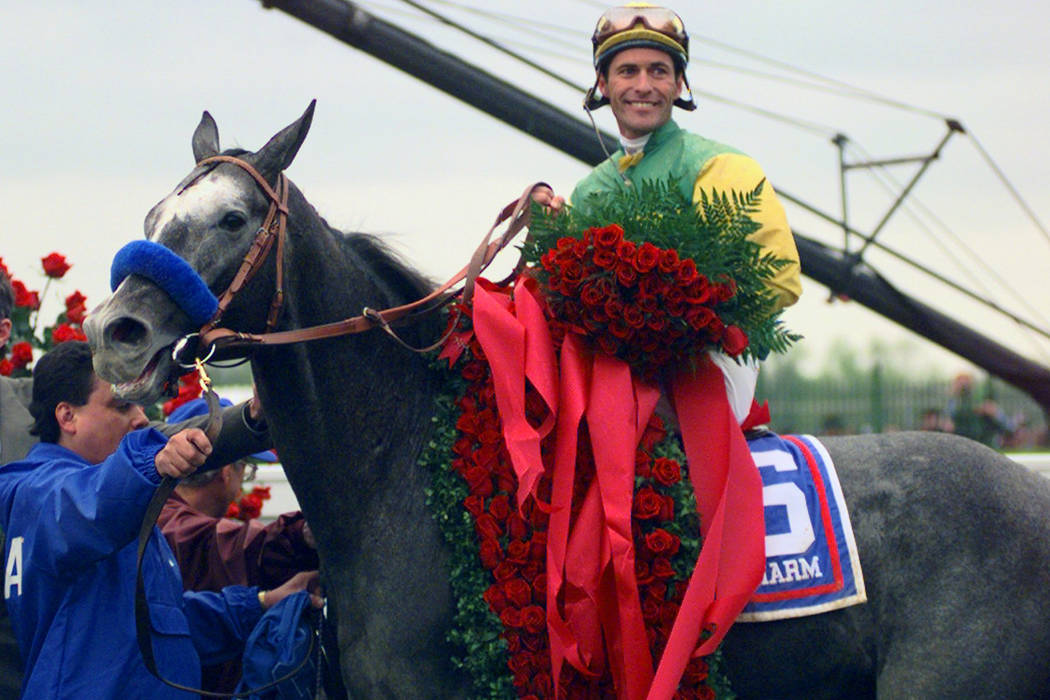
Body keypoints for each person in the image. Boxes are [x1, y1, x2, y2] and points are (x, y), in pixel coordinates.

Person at [0, 341, 322, 698]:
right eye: (121, 405)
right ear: (66, 417)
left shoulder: (100, 498)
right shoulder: (40, 491)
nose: (140, 417)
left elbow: (164, 623)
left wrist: (262, 603)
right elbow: (90, 502)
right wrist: (151, 462)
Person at [535, 2, 802, 423]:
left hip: (704, 367)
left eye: (659, 71)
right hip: (609, 369)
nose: (644, 85)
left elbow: (778, 279)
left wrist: (674, 325)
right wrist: (550, 237)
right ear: (602, 84)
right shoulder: (589, 192)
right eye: (628, 71)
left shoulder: (722, 168)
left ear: (680, 85)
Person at [159, 396, 320, 694]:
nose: (243, 482)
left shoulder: (162, 514)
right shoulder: (169, 523)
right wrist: (302, 535)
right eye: (246, 469)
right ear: (226, 470)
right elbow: (230, 549)